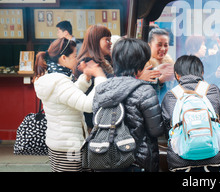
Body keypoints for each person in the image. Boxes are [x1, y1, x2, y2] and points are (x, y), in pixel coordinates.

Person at [33, 38, 107, 172]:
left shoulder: (52, 78)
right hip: (68, 146)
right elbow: (88, 104)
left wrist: (86, 77)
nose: (77, 59)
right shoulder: (60, 82)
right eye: (74, 56)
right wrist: (100, 77)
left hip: (59, 144)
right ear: (63, 58)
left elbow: (69, 96)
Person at [92, 38, 164, 172]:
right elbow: (156, 130)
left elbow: (97, 121)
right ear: (140, 63)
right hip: (136, 160)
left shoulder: (101, 89)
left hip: (105, 156)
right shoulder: (144, 90)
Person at [161, 55, 220, 172]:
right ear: (202, 72)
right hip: (213, 158)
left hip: (180, 160)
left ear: (177, 75)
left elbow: (168, 130)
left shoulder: (171, 96)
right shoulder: (212, 90)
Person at [141, 28, 175, 102]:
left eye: (166, 45)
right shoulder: (143, 65)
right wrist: (159, 81)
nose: (163, 49)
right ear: (149, 45)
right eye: (159, 45)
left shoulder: (170, 64)